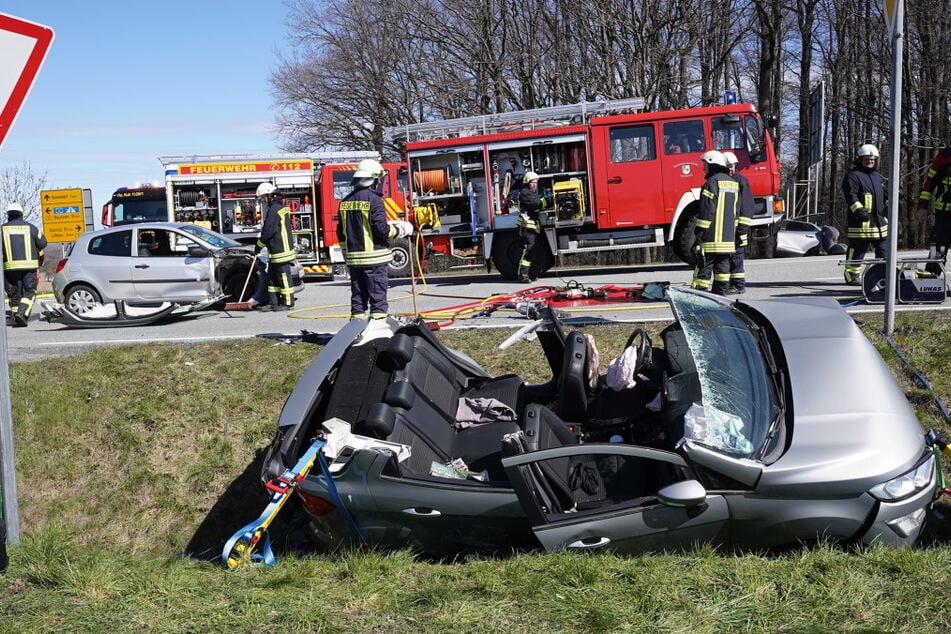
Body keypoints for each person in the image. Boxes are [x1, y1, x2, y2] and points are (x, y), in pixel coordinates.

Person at [336, 159, 413, 319]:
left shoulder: (344, 202)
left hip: (355, 261)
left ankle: (356, 330)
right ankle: (378, 330)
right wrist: (400, 229)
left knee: (358, 298)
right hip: (375, 260)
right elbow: (381, 230)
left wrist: (346, 254)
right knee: (377, 298)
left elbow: (340, 233)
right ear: (374, 179)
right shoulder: (374, 199)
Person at [690, 151, 739, 295]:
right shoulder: (733, 183)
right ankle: (720, 296)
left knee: (704, 267)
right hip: (728, 239)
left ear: (712, 164)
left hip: (712, 238)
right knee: (722, 270)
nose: (703, 168)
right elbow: (736, 211)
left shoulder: (711, 183)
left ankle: (700, 296)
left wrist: (699, 233)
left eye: (705, 165)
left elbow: (707, 211)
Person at [841, 143, 888, 285]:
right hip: (861, 223)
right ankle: (851, 276)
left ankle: (883, 275)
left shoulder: (878, 177)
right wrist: (859, 211)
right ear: (860, 159)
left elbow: (884, 197)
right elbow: (851, 196)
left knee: (884, 253)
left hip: (880, 224)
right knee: (857, 252)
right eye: (867, 159)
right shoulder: (853, 176)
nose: (870, 162)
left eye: (872, 159)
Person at [254, 183, 298, 311]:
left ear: (269, 195)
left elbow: (268, 231)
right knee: (272, 278)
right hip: (276, 249)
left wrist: (258, 246)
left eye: (263, 197)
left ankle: (288, 303)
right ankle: (273, 302)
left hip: (280, 250)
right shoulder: (279, 207)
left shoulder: (274, 210)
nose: (262, 200)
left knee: (283, 276)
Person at [2, 202, 47, 327]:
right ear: (21, 214)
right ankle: (21, 313)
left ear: (8, 215)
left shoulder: (2, 229)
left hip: (10, 268)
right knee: (30, 291)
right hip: (29, 267)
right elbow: (43, 243)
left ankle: (16, 317)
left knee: (15, 292)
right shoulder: (31, 228)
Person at [916, 145, 951, 274]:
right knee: (937, 249)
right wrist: (922, 206)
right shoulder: (943, 156)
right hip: (944, 216)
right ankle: (931, 280)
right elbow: (929, 183)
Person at [723, 151, 754, 294]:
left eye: (732, 165)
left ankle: (739, 285)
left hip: (739, 226)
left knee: (737, 255)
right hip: (727, 227)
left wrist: (742, 227)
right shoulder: (725, 180)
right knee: (728, 256)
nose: (731, 168)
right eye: (728, 165)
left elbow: (747, 206)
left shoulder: (741, 180)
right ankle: (731, 284)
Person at [515, 171, 552, 283]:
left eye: (536, 182)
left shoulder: (532, 192)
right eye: (533, 182)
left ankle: (533, 273)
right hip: (527, 227)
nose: (535, 184)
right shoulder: (525, 193)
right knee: (529, 250)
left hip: (533, 226)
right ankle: (523, 275)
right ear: (527, 182)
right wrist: (549, 200)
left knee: (536, 250)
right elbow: (537, 204)